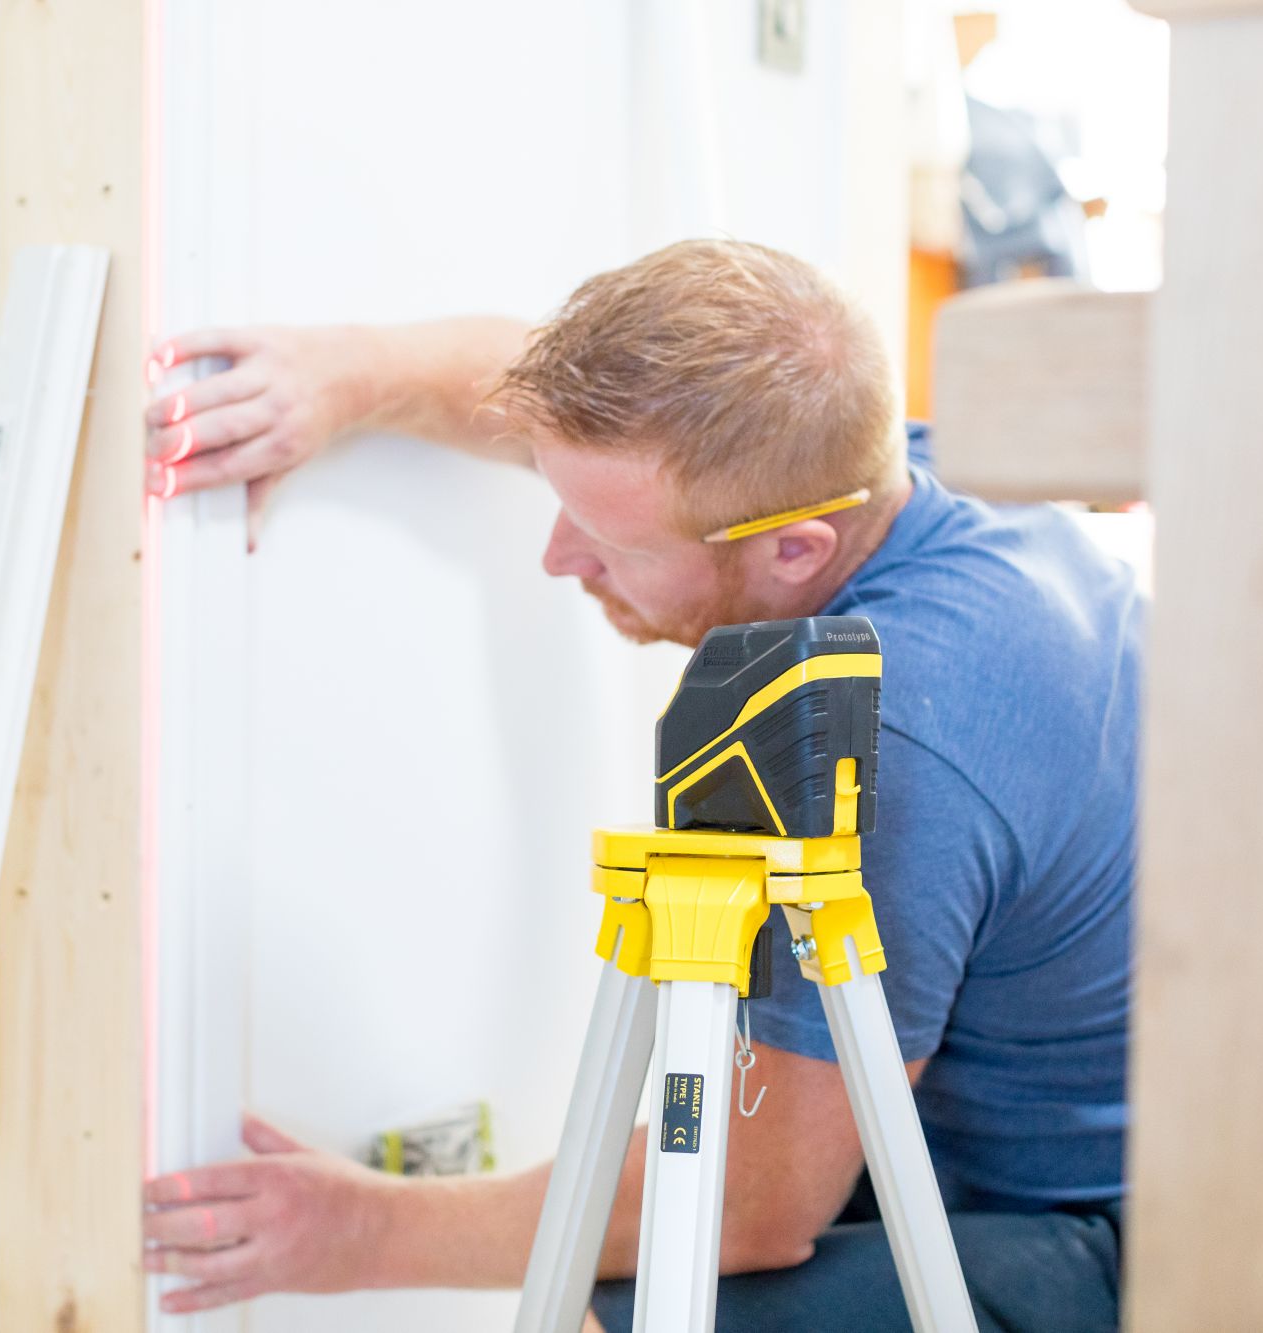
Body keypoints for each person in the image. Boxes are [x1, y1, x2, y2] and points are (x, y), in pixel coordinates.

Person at [140, 240, 1137, 1331]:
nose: (559, 558)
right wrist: (347, 372)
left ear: (795, 553)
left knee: (628, 1299)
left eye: (610, 538)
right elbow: (543, 396)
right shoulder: (865, 468)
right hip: (1056, 1114)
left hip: (1112, 1232)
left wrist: (362, 1231)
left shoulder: (889, 735)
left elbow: (753, 1209)